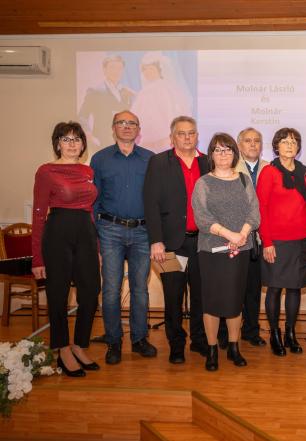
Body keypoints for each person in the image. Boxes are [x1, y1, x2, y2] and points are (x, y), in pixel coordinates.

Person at [31, 121, 101, 377]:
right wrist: (37, 259)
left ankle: (79, 345)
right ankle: (62, 349)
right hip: (57, 235)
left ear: (83, 145)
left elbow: (90, 211)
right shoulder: (46, 171)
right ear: (57, 144)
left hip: (86, 233)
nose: (72, 144)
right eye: (66, 139)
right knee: (58, 295)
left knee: (91, 292)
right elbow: (38, 215)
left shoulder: (88, 171)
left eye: (76, 139)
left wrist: (96, 247)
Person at [91, 110, 156, 365]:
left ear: (138, 129)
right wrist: (96, 235)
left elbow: (156, 198)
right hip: (110, 231)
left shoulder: (150, 159)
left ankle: (139, 339)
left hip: (143, 232)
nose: (127, 127)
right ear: (113, 127)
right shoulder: (100, 159)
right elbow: (93, 199)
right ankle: (114, 341)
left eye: (132, 123)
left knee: (140, 289)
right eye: (121, 123)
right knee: (110, 289)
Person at [143, 116, 209, 364]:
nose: (187, 137)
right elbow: (151, 203)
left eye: (191, 133)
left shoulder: (207, 162)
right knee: (173, 297)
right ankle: (176, 345)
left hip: (203, 242)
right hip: (171, 243)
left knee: (201, 295)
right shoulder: (159, 162)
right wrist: (156, 240)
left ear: (197, 136)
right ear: (172, 137)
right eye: (181, 133)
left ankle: (199, 340)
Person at [192, 133, 260, 371]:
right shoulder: (203, 183)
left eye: (228, 149)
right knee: (211, 302)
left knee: (234, 301)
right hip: (212, 251)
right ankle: (212, 350)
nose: (223, 154)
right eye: (218, 150)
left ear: (235, 153)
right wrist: (229, 235)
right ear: (211, 154)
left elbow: (254, 212)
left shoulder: (243, 180)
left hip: (241, 249)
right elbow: (202, 218)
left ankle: (233, 347)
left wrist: (242, 234)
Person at [257, 127, 306, 357]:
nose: (289, 145)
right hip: (277, 241)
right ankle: (275, 334)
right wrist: (267, 241)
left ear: (298, 147)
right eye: (284, 141)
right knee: (274, 288)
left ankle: (291, 333)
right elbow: (261, 208)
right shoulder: (269, 172)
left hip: (303, 239)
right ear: (276, 146)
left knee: (295, 287)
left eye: (293, 141)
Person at [216, 127, 269, 349]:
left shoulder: (269, 168)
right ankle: (223, 333)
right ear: (239, 145)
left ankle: (251, 331)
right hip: (232, 237)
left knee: (253, 288)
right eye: (248, 140)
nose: (253, 144)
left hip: (258, 239)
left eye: (257, 140)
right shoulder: (228, 167)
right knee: (228, 287)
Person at [131, 52, 193, 153]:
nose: (147, 72)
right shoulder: (145, 91)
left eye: (151, 69)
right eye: (145, 70)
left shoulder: (164, 88)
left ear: (159, 70)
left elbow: (168, 113)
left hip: (162, 138)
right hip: (147, 138)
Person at [78, 55, 135, 153]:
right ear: (104, 70)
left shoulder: (126, 92)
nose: (116, 71)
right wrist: (89, 135)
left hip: (124, 145)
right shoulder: (95, 91)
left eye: (119, 68)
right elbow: (82, 116)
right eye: (112, 67)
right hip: (101, 144)